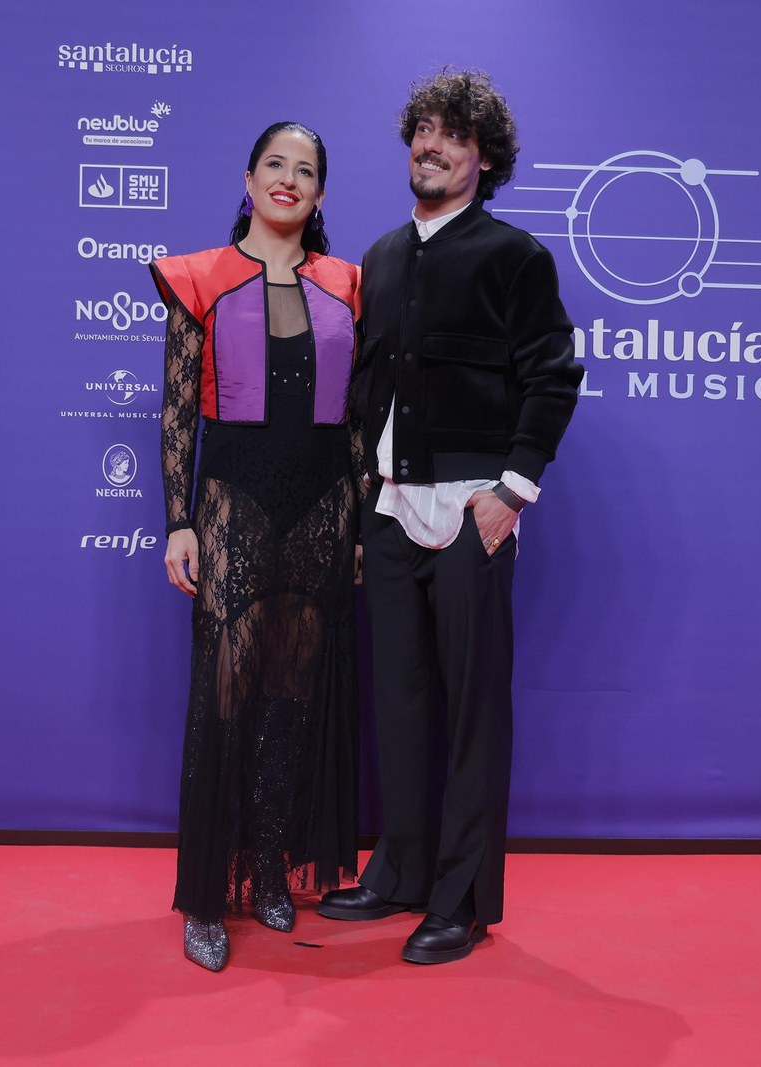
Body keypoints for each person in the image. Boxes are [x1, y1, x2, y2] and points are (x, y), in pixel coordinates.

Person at [319, 71, 582, 964]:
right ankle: (398, 869)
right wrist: (363, 508)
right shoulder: (383, 256)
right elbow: (366, 392)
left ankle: (462, 900)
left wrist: (511, 492)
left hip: (474, 511)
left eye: (451, 135)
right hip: (390, 511)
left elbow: (553, 375)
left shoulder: (516, 256)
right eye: (421, 132)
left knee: (472, 712)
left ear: (485, 157)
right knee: (398, 701)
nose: (429, 146)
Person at [152, 121, 362, 972]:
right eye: (275, 163)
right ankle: (208, 895)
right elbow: (173, 414)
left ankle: (273, 868)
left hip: (324, 510)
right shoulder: (199, 276)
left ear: (319, 193)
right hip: (233, 505)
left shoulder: (350, 283)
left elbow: (356, 420)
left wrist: (361, 527)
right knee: (226, 701)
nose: (289, 178)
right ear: (248, 177)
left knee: (292, 705)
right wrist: (179, 519)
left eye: (305, 169)